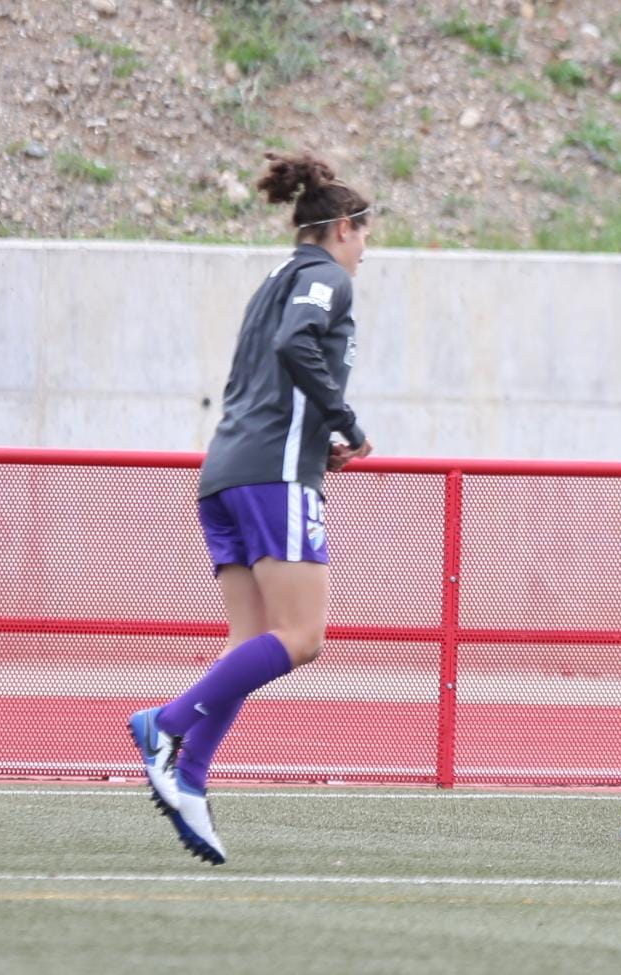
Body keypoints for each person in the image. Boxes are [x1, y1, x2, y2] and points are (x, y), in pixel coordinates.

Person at [128, 151, 376, 865]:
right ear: (340, 229)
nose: (365, 253)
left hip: (227, 472)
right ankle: (167, 724)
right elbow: (296, 345)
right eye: (364, 236)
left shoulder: (274, 280)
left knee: (250, 640)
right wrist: (345, 424)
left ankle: (189, 773)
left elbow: (270, 370)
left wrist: (316, 437)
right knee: (303, 637)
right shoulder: (326, 279)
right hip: (272, 477)